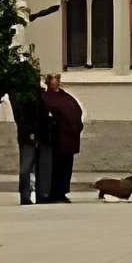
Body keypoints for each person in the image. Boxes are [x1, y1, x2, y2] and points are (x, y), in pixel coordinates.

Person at [10, 72, 53, 205]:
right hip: (32, 135)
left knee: (30, 167)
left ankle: (29, 195)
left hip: (33, 135)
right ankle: (32, 195)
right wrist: (31, 132)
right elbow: (25, 117)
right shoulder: (29, 96)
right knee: (28, 167)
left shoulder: (33, 95)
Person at [41, 71, 83, 205]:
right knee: (56, 167)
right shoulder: (45, 97)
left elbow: (76, 111)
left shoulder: (66, 97)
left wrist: (76, 126)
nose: (55, 82)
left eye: (56, 79)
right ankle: (54, 193)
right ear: (48, 82)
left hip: (68, 138)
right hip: (56, 138)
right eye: (52, 80)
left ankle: (62, 192)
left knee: (66, 167)